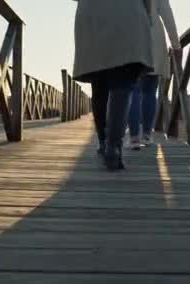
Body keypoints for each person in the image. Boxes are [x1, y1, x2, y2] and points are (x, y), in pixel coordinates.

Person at [72, 0, 154, 170]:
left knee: (99, 83)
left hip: (92, 15)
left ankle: (103, 142)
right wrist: (149, 17)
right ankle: (114, 147)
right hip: (129, 14)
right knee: (122, 84)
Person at [127, 0, 181, 150]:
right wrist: (176, 44)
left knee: (134, 90)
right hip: (153, 38)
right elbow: (167, 14)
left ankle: (133, 137)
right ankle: (147, 134)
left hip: (131, 35)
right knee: (150, 91)